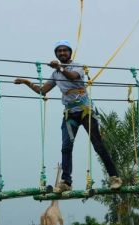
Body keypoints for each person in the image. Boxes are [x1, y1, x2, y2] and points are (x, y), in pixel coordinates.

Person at [14, 40, 122, 192]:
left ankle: (114, 177)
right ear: (56, 54)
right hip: (70, 113)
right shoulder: (55, 74)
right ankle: (66, 182)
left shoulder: (77, 66)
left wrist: (59, 67)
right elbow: (42, 91)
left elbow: (73, 77)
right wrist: (26, 82)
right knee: (66, 147)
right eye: (59, 51)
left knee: (98, 145)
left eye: (65, 50)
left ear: (70, 53)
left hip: (85, 111)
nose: (62, 53)